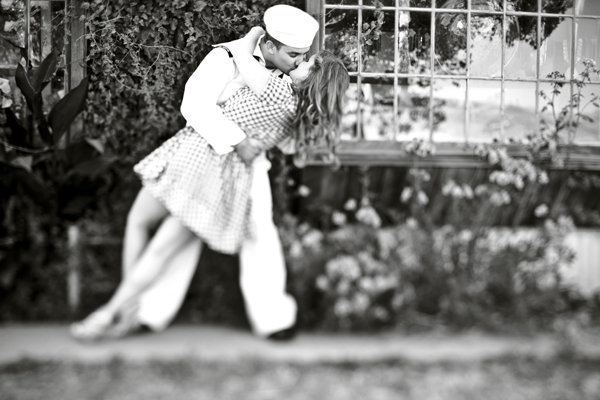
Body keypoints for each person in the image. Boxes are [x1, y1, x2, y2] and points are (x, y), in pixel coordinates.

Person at [70, 6, 349, 341]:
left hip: (245, 167)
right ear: (272, 46)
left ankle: (272, 318)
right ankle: (147, 311)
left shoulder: (284, 82)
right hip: (205, 153)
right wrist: (240, 140)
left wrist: (263, 139)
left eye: (305, 57)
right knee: (173, 234)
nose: (299, 61)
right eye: (295, 55)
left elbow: (286, 136)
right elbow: (194, 105)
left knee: (257, 232)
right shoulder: (227, 57)